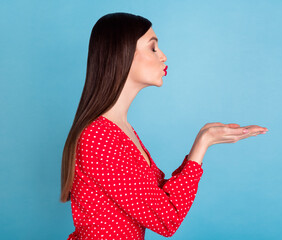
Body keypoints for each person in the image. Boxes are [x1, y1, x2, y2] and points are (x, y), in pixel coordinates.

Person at [60, 12, 268, 240]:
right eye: (153, 48)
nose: (164, 56)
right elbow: (166, 219)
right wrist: (202, 144)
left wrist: (204, 136)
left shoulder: (119, 130)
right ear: (123, 54)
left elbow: (159, 199)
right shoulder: (99, 137)